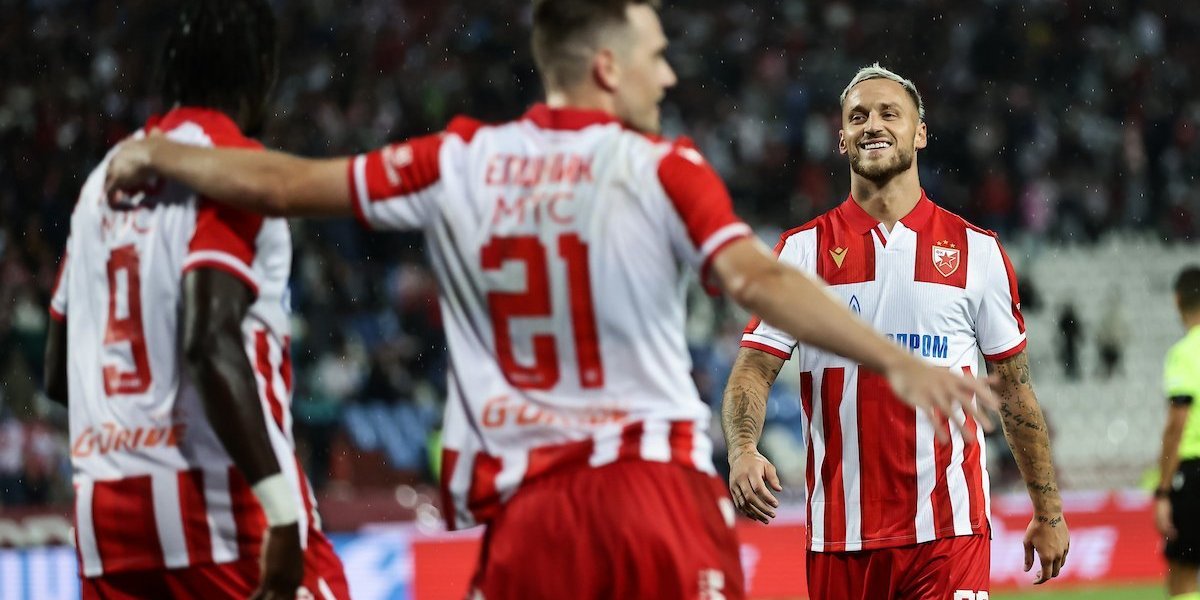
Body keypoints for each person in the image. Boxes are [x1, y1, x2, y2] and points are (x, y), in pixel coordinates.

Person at [103, 3, 999, 597]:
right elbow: (755, 280)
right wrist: (894, 360)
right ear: (607, 66)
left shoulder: (460, 159)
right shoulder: (660, 166)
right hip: (652, 503)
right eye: (656, 56)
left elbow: (287, 182)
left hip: (528, 518)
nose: (669, 77)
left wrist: (161, 153)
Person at [724, 64, 1070, 600]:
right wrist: (743, 449)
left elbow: (1014, 390)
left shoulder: (978, 252)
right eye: (858, 116)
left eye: (890, 113)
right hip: (841, 537)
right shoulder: (800, 252)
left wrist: (1048, 512)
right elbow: (753, 367)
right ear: (842, 138)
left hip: (949, 535)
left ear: (920, 132)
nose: (873, 125)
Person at [42, 1, 348, 598]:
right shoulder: (235, 170)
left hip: (107, 523)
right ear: (263, 70)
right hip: (220, 512)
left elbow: (59, 372)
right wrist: (281, 511)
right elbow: (209, 340)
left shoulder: (102, 181)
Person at [1156, 265, 1200, 600]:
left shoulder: (1184, 353)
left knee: (1182, 580)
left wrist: (1162, 492)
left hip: (1194, 475)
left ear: (1176, 300)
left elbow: (1176, 426)